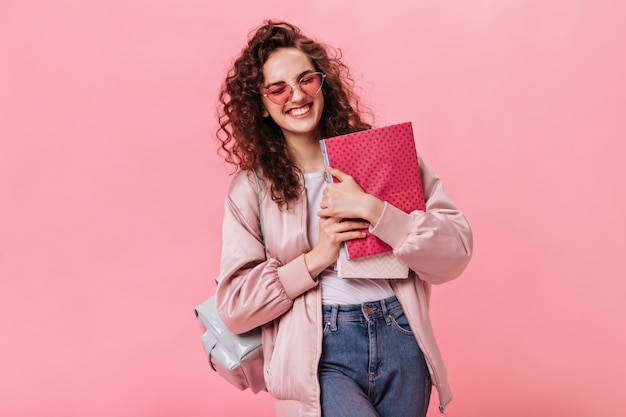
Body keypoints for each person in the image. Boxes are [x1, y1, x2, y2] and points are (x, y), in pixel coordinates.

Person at [214, 20, 473, 417]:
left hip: (401, 335)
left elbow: (455, 251)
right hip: (318, 349)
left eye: (306, 80)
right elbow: (235, 306)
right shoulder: (251, 188)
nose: (296, 95)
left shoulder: (385, 155)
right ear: (261, 105)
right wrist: (318, 256)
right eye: (278, 88)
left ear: (323, 84)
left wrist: (374, 210)